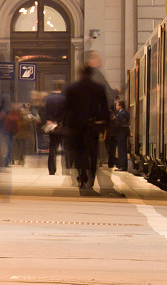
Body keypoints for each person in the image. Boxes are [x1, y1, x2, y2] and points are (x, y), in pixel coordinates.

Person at [61, 64, 109, 194]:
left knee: (77, 152)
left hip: (75, 126)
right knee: (93, 153)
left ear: (80, 73)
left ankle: (82, 177)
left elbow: (66, 108)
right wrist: (105, 124)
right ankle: (91, 178)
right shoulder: (99, 88)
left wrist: (64, 125)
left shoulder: (72, 88)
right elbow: (104, 108)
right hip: (92, 125)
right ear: (91, 73)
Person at [42, 80, 66, 175]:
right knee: (65, 147)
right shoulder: (65, 99)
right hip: (62, 126)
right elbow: (65, 112)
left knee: (52, 148)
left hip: (52, 125)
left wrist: (51, 120)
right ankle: (66, 167)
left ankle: (52, 170)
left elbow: (46, 112)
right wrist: (60, 121)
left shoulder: (49, 98)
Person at [108, 100, 129, 171]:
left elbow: (123, 124)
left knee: (121, 150)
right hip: (121, 134)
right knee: (121, 150)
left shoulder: (122, 114)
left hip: (121, 134)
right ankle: (121, 165)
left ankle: (122, 166)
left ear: (120, 106)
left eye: (117, 105)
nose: (116, 107)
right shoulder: (122, 113)